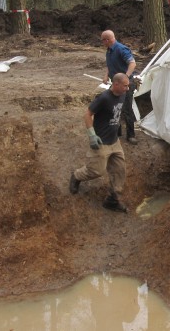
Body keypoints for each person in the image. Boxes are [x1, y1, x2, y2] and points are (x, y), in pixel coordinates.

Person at [69, 73, 130, 213]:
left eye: (128, 86)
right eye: (125, 86)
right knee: (96, 171)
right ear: (116, 85)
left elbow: (129, 84)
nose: (127, 88)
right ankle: (77, 175)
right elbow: (87, 114)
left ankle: (112, 201)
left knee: (120, 170)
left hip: (115, 141)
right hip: (102, 142)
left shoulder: (123, 93)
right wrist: (92, 135)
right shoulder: (104, 98)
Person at [100, 29, 138, 144]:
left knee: (126, 109)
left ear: (107, 40)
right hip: (115, 84)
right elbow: (109, 65)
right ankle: (117, 132)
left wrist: (125, 77)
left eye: (103, 41)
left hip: (125, 84)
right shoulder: (109, 51)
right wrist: (106, 76)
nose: (102, 43)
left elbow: (132, 63)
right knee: (115, 107)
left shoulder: (121, 49)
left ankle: (131, 135)